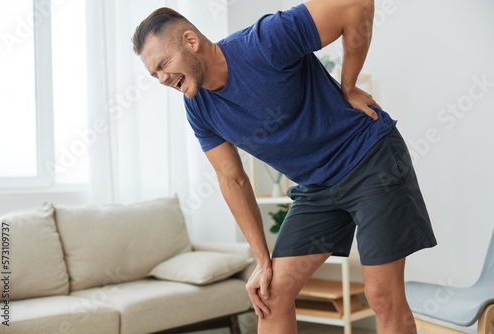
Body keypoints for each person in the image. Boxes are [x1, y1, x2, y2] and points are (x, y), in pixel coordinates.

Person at [132, 0, 437, 333]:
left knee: (381, 297)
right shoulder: (198, 108)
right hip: (317, 188)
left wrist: (347, 86)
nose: (162, 79)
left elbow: (356, 4)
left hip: (369, 161)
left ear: (191, 42)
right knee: (270, 296)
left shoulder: (263, 42)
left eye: (164, 64)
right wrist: (262, 260)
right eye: (154, 74)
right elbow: (232, 179)